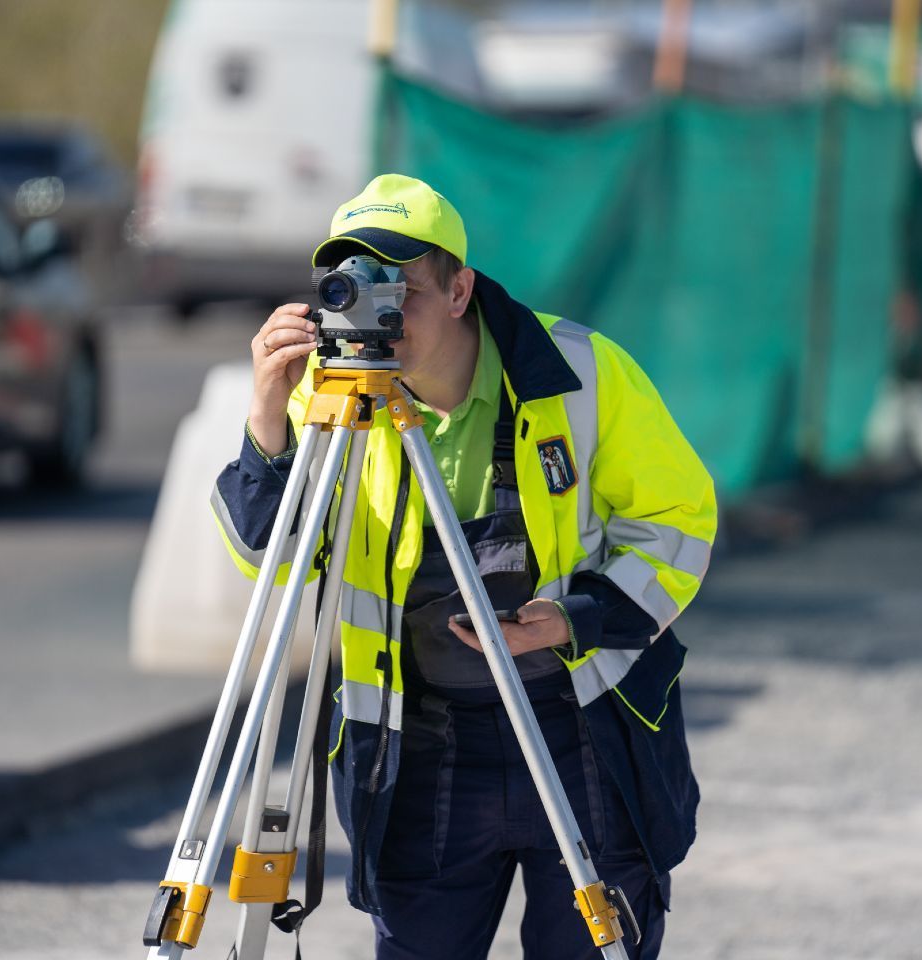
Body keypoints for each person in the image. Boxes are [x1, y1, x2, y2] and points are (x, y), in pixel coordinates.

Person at [212, 174, 716, 960]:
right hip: (424, 750)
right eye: (353, 282)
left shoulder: (580, 372)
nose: (376, 308)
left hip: (576, 728)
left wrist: (576, 617)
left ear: (459, 290)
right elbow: (270, 566)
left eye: (399, 285)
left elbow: (678, 523)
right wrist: (267, 421)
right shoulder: (330, 393)